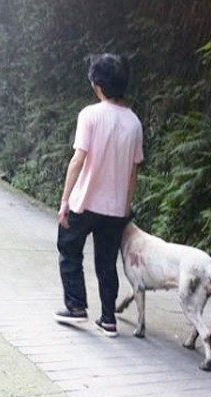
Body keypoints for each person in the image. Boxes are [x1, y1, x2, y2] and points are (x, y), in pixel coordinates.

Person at [54, 53, 144, 337]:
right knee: (106, 263)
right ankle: (108, 319)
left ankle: (77, 307)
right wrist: (126, 207)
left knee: (69, 251)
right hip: (115, 209)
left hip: (85, 201)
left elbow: (78, 160)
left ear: (98, 85)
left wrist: (65, 200)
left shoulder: (90, 115)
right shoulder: (134, 123)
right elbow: (133, 172)